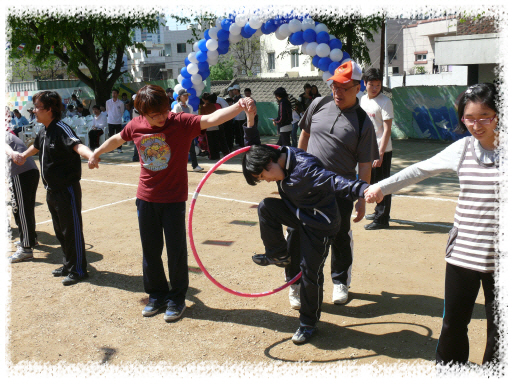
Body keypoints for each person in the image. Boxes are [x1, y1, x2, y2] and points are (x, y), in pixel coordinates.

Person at [87, 84, 256, 323]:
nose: (159, 118)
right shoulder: (136, 125)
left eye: (162, 112)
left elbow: (211, 118)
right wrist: (97, 152)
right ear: (142, 113)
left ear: (168, 107)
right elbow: (117, 138)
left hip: (174, 199)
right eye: (152, 115)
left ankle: (177, 298)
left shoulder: (181, 122)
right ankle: (156, 295)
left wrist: (238, 106)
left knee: (176, 251)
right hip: (145, 198)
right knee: (151, 250)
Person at [364, 83, 500, 367]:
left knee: (500, 332)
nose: (477, 125)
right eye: (469, 118)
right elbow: (419, 169)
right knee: (453, 324)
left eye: (485, 116)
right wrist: (381, 187)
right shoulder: (463, 149)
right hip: (463, 254)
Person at [242, 143, 368, 345]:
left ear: (269, 163)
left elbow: (334, 181)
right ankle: (278, 255)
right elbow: (255, 148)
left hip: (320, 224)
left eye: (264, 176)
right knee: (267, 207)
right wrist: (249, 121)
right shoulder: (278, 157)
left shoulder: (306, 169)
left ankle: (308, 323)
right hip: (300, 213)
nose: (267, 180)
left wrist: (362, 189)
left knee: (310, 272)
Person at [286, 60, 379, 308]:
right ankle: (294, 284)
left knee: (338, 235)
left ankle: (340, 281)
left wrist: (361, 199)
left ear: (358, 88)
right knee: (295, 233)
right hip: (306, 185)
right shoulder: (318, 104)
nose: (337, 92)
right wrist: (294, 169)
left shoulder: (363, 123)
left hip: (340, 189)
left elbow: (365, 166)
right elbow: (304, 135)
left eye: (344, 87)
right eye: (335, 86)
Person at [14, 90, 94, 286]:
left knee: (72, 229)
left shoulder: (61, 128)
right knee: (60, 231)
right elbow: (37, 147)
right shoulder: (44, 130)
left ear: (49, 110)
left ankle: (79, 269)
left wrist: (90, 155)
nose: (33, 111)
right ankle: (68, 265)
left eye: (37, 107)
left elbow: (76, 145)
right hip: (51, 190)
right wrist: (23, 155)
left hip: (67, 189)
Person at [360, 68, 394, 230]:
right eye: (371, 84)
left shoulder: (385, 102)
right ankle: (378, 211)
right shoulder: (362, 100)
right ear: (365, 84)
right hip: (367, 149)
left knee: (382, 184)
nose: (375, 88)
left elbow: (387, 129)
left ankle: (382, 218)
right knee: (371, 182)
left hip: (382, 151)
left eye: (378, 85)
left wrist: (380, 154)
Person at [5, 131, 40, 262]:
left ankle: (26, 248)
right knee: (26, 208)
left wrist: (12, 154)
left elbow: (5, 147)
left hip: (20, 172)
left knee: (21, 210)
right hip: (29, 171)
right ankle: (31, 239)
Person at [172, 89, 203, 172]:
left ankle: (195, 166)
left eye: (187, 95)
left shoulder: (189, 107)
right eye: (184, 95)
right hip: (180, 131)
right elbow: (174, 119)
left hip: (188, 131)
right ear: (179, 97)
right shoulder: (177, 107)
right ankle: (178, 166)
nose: (186, 97)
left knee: (191, 149)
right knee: (180, 150)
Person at [200, 93, 230, 160]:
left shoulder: (203, 106)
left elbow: (202, 116)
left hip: (208, 127)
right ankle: (217, 155)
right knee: (216, 141)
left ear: (203, 99)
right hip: (215, 125)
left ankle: (212, 156)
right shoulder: (213, 106)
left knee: (210, 143)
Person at [106, 88, 125, 153]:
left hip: (118, 121)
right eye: (113, 93)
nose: (113, 94)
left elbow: (122, 112)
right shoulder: (108, 102)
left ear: (117, 94)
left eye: (115, 93)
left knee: (119, 136)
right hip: (110, 121)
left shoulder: (121, 103)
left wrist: (118, 118)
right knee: (111, 136)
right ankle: (111, 148)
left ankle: (119, 148)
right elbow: (107, 111)